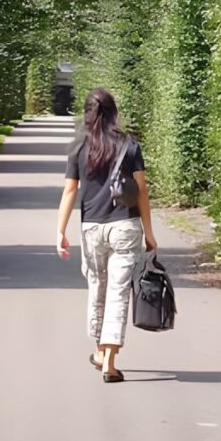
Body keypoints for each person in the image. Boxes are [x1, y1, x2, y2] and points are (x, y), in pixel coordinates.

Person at [53, 88, 156, 383]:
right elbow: (142, 192)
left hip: (92, 228)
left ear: (86, 113)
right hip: (125, 226)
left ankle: (99, 351)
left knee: (97, 289)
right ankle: (110, 359)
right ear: (113, 113)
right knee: (118, 291)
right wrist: (149, 233)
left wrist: (60, 231)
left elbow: (70, 190)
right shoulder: (130, 146)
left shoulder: (78, 147)